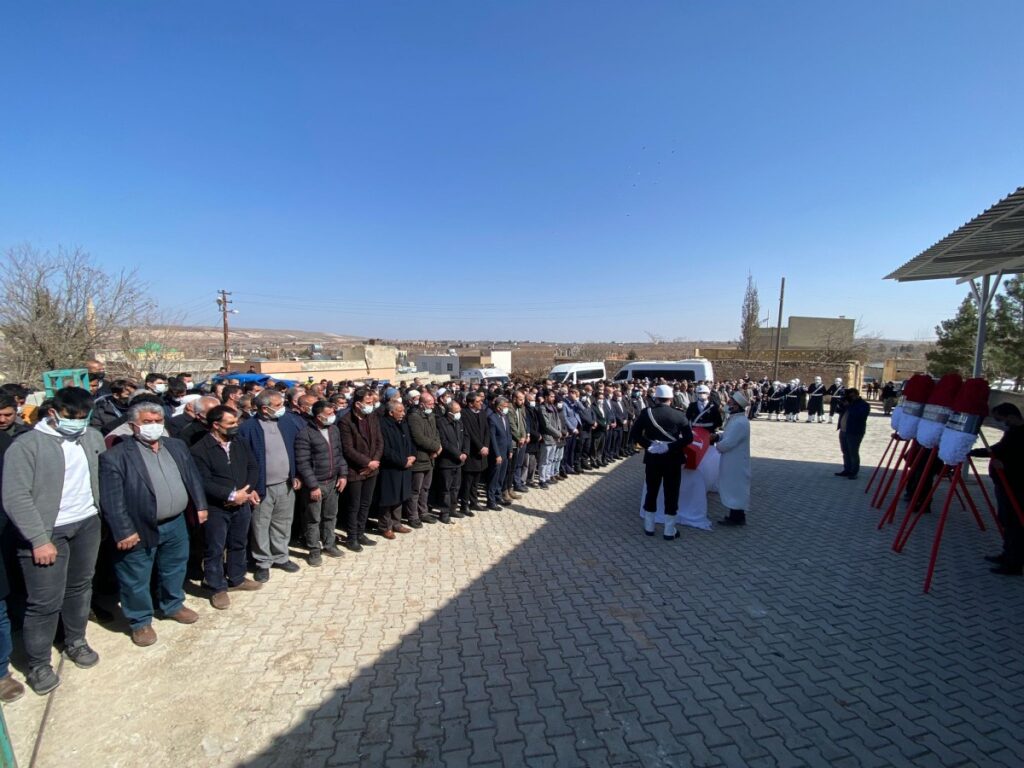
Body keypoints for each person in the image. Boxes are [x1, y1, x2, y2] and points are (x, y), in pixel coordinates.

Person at [2, 387, 104, 694]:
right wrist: (38, 538)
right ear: (54, 413)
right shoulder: (27, 445)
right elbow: (15, 496)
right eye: (71, 417)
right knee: (44, 601)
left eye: (83, 417)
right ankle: (39, 664)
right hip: (48, 532)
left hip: (86, 523)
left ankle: (75, 640)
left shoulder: (91, 437)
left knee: (80, 587)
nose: (78, 423)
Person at [98, 402, 209, 646]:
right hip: (140, 525)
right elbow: (112, 499)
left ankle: (172, 604)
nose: (154, 427)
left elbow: (192, 477)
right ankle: (140, 621)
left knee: (174, 566)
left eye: (158, 421)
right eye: (148, 422)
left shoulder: (176, 446)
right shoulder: (115, 457)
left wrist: (200, 505)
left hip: (176, 521)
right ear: (133, 426)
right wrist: (124, 530)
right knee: (135, 575)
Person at [190, 406, 263, 609]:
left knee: (238, 542)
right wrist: (231, 495)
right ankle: (217, 587)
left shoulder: (239, 442)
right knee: (214, 548)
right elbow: (202, 481)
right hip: (217, 507)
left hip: (242, 503)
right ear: (215, 425)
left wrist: (247, 491)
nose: (235, 426)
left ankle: (237, 577)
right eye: (230, 423)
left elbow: (253, 466)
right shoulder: (199, 450)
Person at [238, 390, 302, 581]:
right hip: (260, 488)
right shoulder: (248, 428)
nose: (282, 408)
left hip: (286, 484)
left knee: (282, 523)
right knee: (260, 525)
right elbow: (243, 462)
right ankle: (262, 562)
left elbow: (295, 450)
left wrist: (296, 474)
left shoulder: (286, 422)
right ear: (265, 409)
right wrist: (250, 488)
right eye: (278, 405)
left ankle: (281, 556)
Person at [628, 384, 694, 541]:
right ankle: (669, 530)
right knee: (671, 493)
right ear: (671, 399)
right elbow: (688, 438)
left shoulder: (647, 413)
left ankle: (649, 526)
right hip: (673, 458)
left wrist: (650, 445)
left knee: (652, 491)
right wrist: (669, 446)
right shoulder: (679, 415)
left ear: (656, 398)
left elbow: (635, 433)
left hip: (653, 458)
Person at [969, 403, 1024, 576]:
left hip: (1017, 487)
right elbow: (999, 450)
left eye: (1000, 419)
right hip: (1003, 484)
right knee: (1006, 521)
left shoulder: (1022, 434)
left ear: (1011, 416)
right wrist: (974, 452)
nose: (1000, 423)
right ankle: (1006, 554)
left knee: (1015, 525)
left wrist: (1006, 466)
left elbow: (1015, 458)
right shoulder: (1012, 432)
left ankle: (1014, 564)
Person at [294, 400, 348, 565]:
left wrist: (343, 474)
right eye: (329, 414)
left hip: (333, 482)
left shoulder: (334, 430)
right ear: (318, 416)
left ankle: (329, 544)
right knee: (313, 519)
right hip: (316, 484)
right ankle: (313, 550)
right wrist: (313, 486)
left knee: (330, 516)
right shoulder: (305, 434)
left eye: (333, 413)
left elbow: (339, 454)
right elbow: (303, 462)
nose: (333, 416)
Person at [339, 387, 384, 552]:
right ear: (358, 403)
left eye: (372, 402)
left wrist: (375, 461)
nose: (371, 405)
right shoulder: (346, 420)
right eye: (368, 402)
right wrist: (367, 462)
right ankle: (352, 537)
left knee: (366, 503)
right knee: (354, 505)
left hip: (373, 467)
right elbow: (348, 449)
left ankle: (360, 532)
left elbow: (379, 440)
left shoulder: (372, 416)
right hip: (355, 470)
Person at [711, 392, 751, 526]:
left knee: (736, 487)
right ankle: (734, 515)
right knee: (732, 486)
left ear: (737, 406)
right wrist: (718, 437)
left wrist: (718, 446)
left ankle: (737, 517)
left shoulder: (740, 422)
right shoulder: (734, 419)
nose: (728, 404)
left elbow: (729, 443)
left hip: (736, 461)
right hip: (731, 460)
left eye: (731, 403)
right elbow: (727, 435)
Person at [377, 401, 416, 535]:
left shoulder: (402, 423)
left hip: (405, 466)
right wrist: (402, 461)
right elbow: (386, 450)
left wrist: (412, 456)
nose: (403, 413)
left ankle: (396, 523)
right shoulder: (383, 425)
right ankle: (385, 526)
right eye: (400, 411)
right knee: (388, 498)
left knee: (400, 495)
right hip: (391, 468)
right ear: (391, 412)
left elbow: (409, 442)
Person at [406, 392, 441, 526]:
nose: (432, 406)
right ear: (422, 404)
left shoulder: (431, 415)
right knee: (415, 489)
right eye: (429, 404)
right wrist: (435, 447)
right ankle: (413, 515)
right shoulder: (414, 417)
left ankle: (423, 512)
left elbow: (436, 433)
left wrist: (437, 448)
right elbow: (418, 438)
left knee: (425, 488)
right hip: (420, 458)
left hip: (431, 458)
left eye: (433, 403)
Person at [436, 400, 469, 522]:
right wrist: (457, 454)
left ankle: (453, 509)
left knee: (456, 487)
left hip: (459, 461)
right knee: (446, 489)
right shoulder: (441, 422)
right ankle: (444, 513)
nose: (459, 413)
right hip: (447, 461)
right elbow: (444, 442)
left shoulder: (459, 422)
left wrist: (465, 451)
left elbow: (465, 437)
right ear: (449, 412)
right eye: (457, 411)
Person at [459, 393, 489, 512]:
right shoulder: (464, 414)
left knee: (476, 480)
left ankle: (474, 502)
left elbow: (487, 430)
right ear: (471, 403)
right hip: (472, 452)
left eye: (481, 401)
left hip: (482, 453)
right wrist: (480, 447)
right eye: (478, 401)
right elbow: (469, 433)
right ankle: (464, 505)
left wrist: (486, 446)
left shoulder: (482, 412)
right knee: (468, 481)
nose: (481, 403)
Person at [835, 388, 869, 479]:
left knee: (853, 452)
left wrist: (849, 406)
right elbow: (838, 411)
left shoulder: (864, 405)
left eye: (852, 395)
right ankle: (847, 469)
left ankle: (854, 472)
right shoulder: (848, 403)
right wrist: (840, 404)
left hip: (854, 432)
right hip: (843, 431)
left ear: (857, 395)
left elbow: (860, 416)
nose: (851, 397)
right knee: (845, 451)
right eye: (849, 395)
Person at [486, 397, 514, 510]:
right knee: (494, 477)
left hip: (506, 452)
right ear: (498, 408)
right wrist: (497, 454)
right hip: (497, 454)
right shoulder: (492, 418)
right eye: (505, 407)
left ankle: (498, 496)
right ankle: (491, 500)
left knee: (501, 477)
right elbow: (492, 438)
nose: (507, 409)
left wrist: (510, 449)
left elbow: (508, 434)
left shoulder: (505, 417)